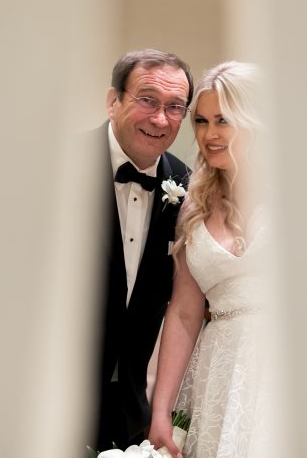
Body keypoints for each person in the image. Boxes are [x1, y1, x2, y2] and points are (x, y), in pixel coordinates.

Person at [148, 61, 270, 458]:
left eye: (224, 120)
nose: (209, 134)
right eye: (201, 121)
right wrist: (161, 411)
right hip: (219, 370)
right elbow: (184, 312)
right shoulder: (193, 206)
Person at [93, 49, 194, 451]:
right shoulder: (60, 166)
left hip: (133, 409)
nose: (160, 119)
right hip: (53, 395)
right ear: (112, 100)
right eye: (147, 99)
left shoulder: (186, 185)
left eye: (175, 107)